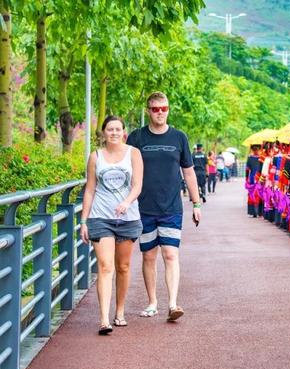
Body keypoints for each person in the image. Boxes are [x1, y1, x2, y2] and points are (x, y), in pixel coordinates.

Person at [126, 91, 201, 322]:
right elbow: (124, 169)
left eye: (164, 108)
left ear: (169, 110)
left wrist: (196, 203)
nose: (160, 113)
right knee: (148, 257)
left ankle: (172, 304)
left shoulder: (179, 137)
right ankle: (152, 302)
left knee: (170, 254)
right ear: (148, 111)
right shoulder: (137, 138)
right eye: (155, 109)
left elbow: (188, 172)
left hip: (171, 208)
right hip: (144, 207)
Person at [80, 116, 143, 335]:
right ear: (104, 133)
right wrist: (84, 221)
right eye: (110, 129)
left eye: (118, 129)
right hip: (100, 217)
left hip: (128, 218)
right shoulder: (95, 156)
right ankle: (104, 319)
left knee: (123, 267)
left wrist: (126, 202)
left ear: (123, 132)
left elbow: (137, 186)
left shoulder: (133, 153)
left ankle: (120, 312)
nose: (114, 133)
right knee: (106, 266)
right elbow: (89, 189)